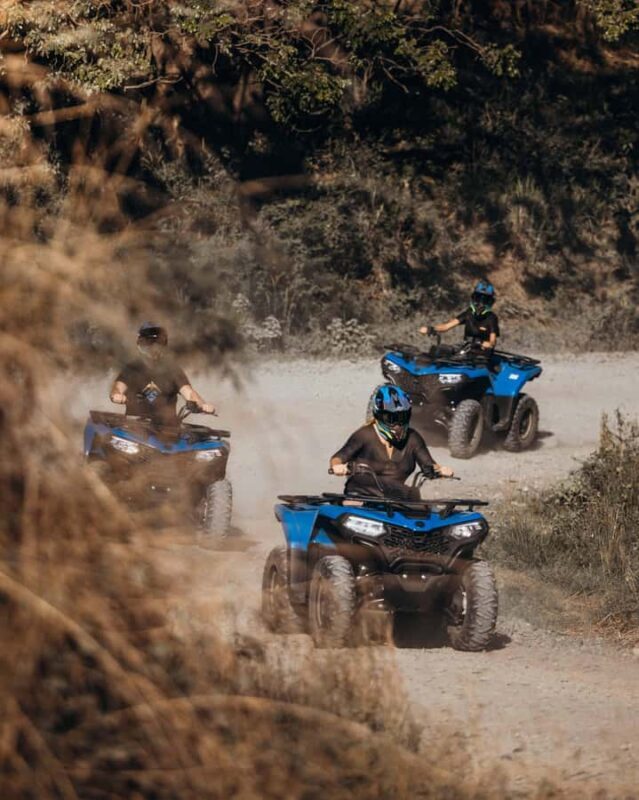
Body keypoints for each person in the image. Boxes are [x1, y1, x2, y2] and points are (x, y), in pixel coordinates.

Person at [329, 384, 453, 500]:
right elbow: (339, 457)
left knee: (422, 510)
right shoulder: (364, 435)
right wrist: (337, 467)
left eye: (402, 417)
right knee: (351, 505)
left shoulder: (413, 438)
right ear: (379, 415)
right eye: (392, 418)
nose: (398, 424)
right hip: (362, 495)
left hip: (396, 498)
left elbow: (429, 465)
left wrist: (440, 470)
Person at [110, 322, 215, 424]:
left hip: (167, 431)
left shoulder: (172, 370)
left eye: (159, 343)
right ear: (140, 344)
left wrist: (202, 405)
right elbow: (118, 387)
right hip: (134, 430)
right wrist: (117, 395)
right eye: (149, 342)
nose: (154, 347)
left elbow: (190, 394)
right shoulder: (132, 369)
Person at [419, 280, 499, 351]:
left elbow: (492, 343)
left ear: (490, 302)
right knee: (441, 351)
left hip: (482, 355)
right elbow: (446, 326)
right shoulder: (468, 313)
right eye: (478, 299)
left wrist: (480, 343)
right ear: (473, 298)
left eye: (484, 300)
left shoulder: (491, 318)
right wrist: (431, 329)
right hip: (466, 349)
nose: (480, 304)